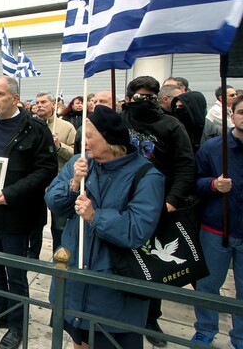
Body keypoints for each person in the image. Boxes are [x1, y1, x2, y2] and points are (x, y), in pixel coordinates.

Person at [45, 105, 165, 349]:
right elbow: (54, 202)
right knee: (77, 339)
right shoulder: (81, 163)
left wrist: (94, 216)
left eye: (89, 136)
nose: (83, 141)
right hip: (73, 276)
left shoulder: (147, 176)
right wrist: (74, 182)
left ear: (110, 141)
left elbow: (137, 229)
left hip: (114, 289)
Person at [0, 76, 57, 349]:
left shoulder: (34, 128)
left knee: (15, 273)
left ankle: (17, 325)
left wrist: (12, 194)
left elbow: (47, 169)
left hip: (15, 214)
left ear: (14, 98)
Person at [121, 76, 196, 347]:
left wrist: (173, 200)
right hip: (122, 203)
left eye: (151, 96)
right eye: (140, 96)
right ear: (129, 97)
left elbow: (186, 165)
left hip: (158, 205)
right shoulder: (122, 120)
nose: (146, 101)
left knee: (152, 265)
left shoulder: (171, 125)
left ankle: (151, 319)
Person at [190, 95, 243, 349]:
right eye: (242, 111)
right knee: (208, 285)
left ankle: (240, 337)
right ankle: (205, 330)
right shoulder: (213, 148)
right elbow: (194, 182)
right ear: (231, 115)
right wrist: (213, 184)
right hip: (215, 229)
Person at [33, 91, 76, 255]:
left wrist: (59, 146)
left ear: (53, 104)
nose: (40, 105)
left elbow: (75, 154)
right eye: (37, 102)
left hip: (58, 181)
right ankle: (32, 254)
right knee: (35, 222)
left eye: (43, 102)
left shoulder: (66, 127)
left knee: (59, 224)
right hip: (36, 181)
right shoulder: (30, 125)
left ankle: (60, 256)